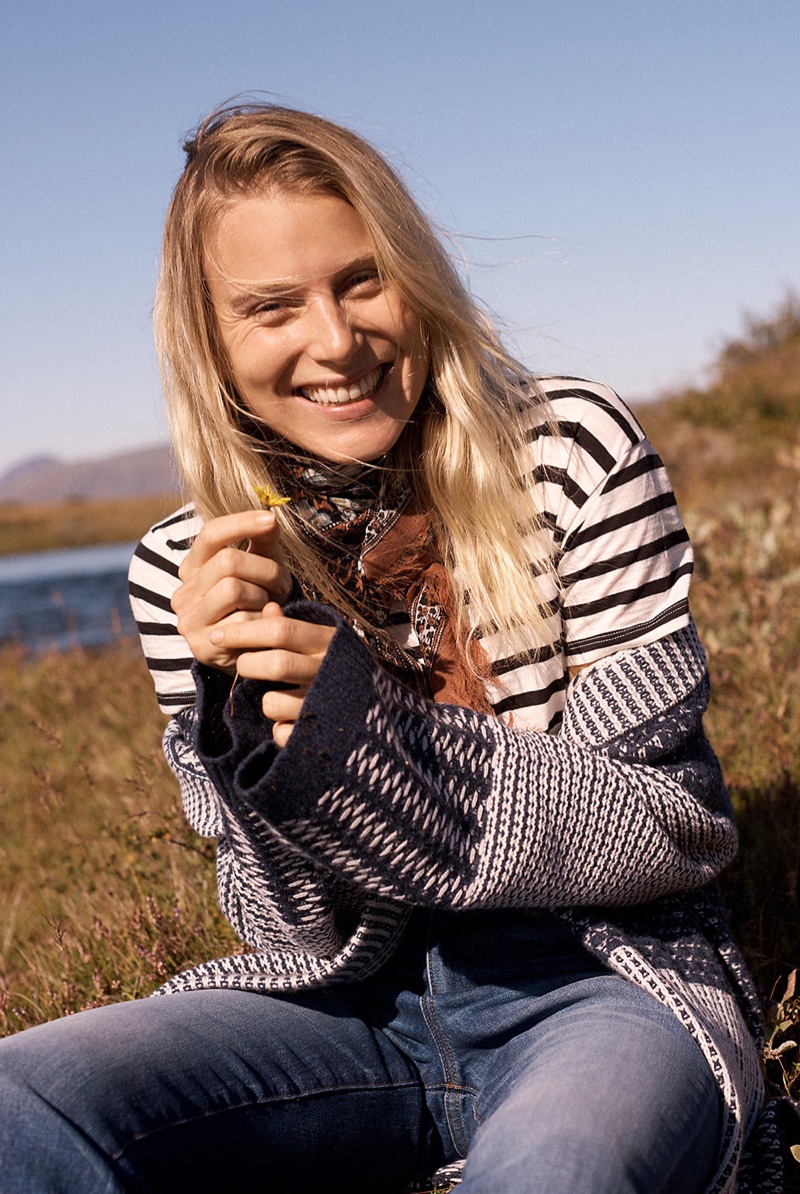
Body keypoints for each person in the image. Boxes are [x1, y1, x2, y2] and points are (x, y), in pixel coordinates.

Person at [0, 102, 782, 1193]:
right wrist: (236, 722)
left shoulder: (568, 452)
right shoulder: (180, 566)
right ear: (214, 343)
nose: (333, 340)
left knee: (558, 1173)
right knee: (21, 1107)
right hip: (345, 1008)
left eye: (361, 280)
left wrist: (367, 737)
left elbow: (672, 831)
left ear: (416, 276)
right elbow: (284, 923)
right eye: (272, 307)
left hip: (600, 980)